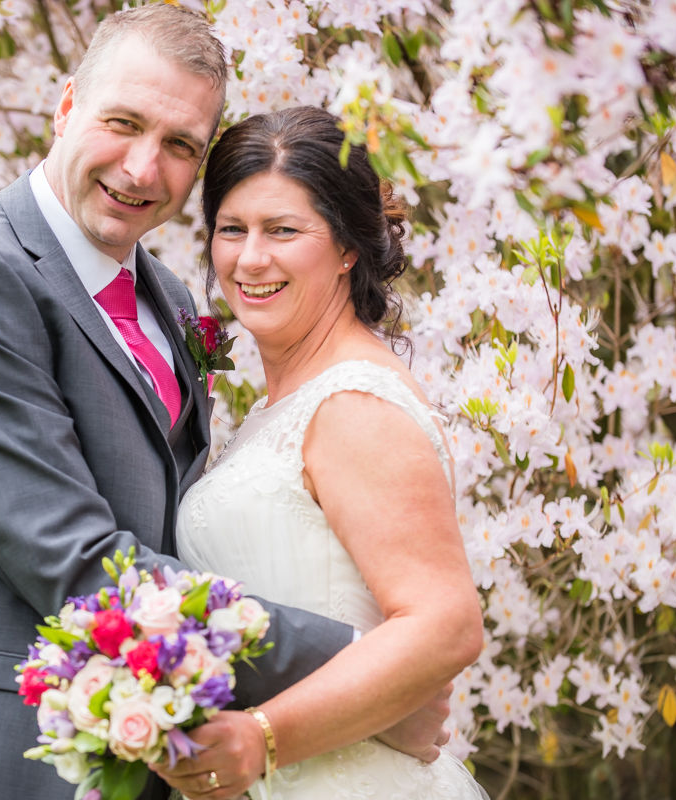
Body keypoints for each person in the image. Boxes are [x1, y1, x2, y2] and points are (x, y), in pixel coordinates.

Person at [0, 8, 446, 800]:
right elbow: (76, 563)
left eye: (181, 145)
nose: (143, 169)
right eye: (123, 122)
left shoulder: (168, 300)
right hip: (3, 755)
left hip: (166, 760)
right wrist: (368, 673)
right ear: (66, 106)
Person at [155, 106, 488, 800]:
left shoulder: (352, 404)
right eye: (231, 230)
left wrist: (266, 737)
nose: (250, 259)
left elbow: (445, 625)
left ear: (346, 248)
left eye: (284, 230)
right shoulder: (280, 408)